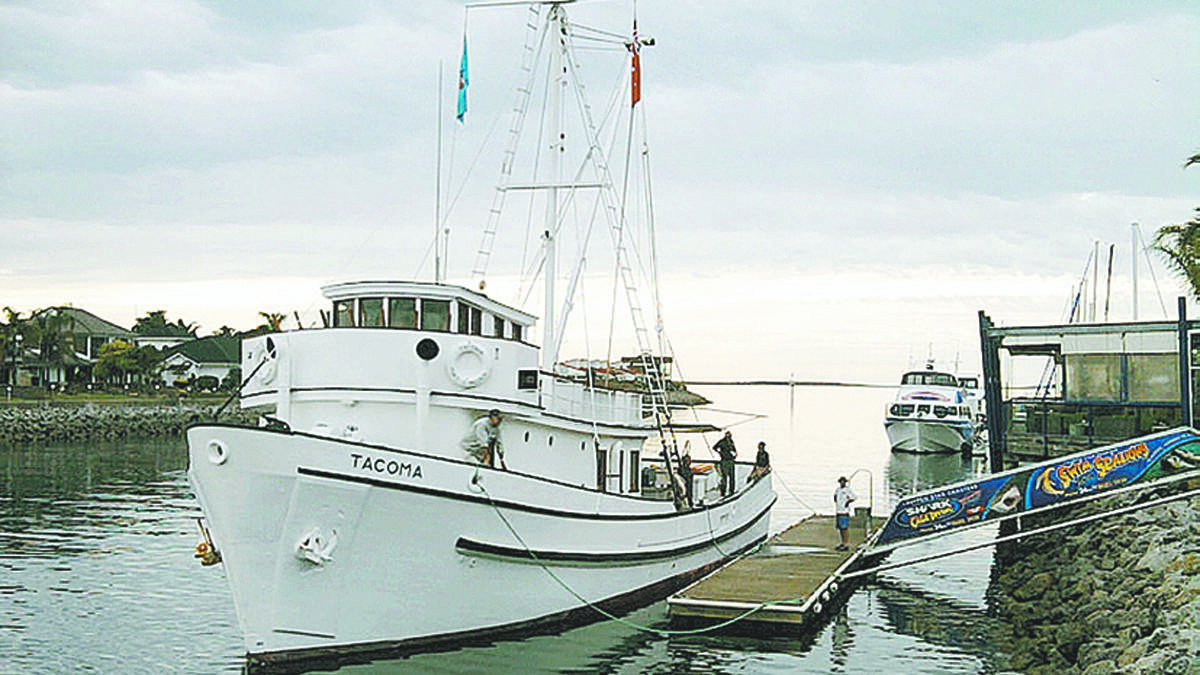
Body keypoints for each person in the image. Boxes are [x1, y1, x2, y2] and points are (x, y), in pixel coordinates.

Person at [834, 476, 857, 551]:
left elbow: (854, 497)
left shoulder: (848, 490)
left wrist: (847, 502)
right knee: (840, 528)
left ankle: (846, 543)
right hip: (838, 511)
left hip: (845, 511)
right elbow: (835, 496)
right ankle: (842, 542)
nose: (842, 483)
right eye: (841, 481)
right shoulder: (838, 490)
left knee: (845, 528)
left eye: (843, 481)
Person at [713, 430, 737, 497]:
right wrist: (720, 453)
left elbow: (734, 450)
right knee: (724, 477)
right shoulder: (722, 442)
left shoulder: (731, 442)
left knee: (732, 477)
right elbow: (714, 447)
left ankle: (731, 490)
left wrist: (734, 455)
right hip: (724, 461)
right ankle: (723, 492)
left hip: (731, 461)